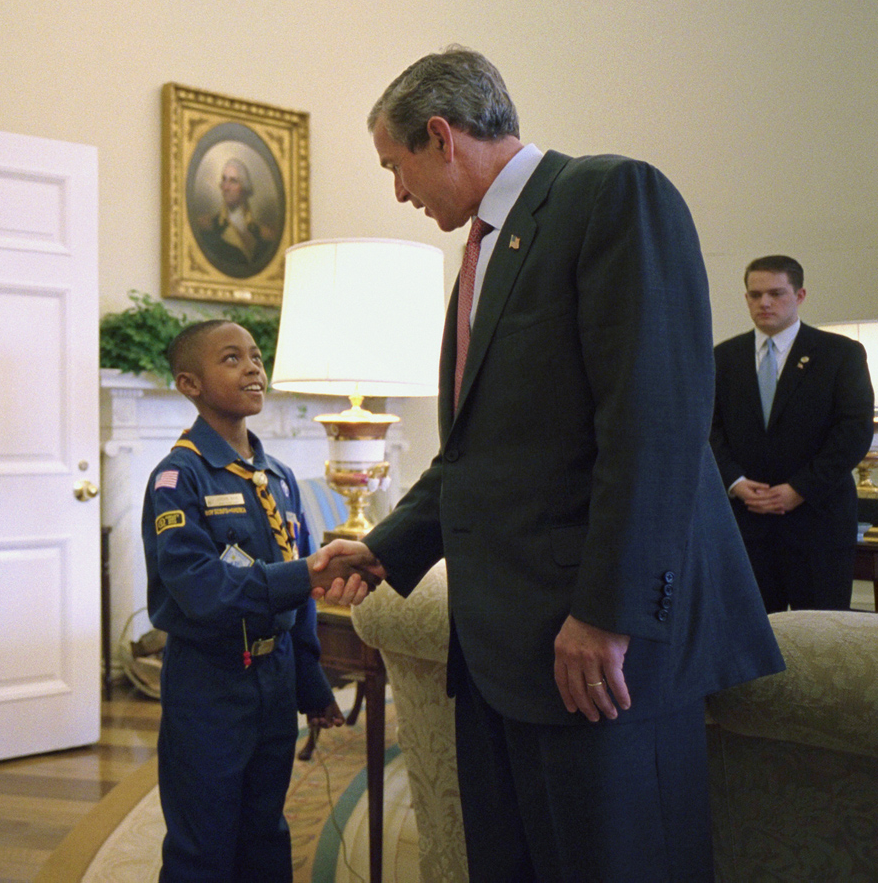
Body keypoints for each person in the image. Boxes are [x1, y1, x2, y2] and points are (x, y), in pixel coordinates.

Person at [315, 46, 783, 881]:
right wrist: (387, 545)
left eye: (395, 167)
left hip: (598, 652)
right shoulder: (481, 254)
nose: (398, 191)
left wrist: (608, 613)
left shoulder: (609, 196)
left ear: (441, 137)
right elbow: (481, 451)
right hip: (504, 652)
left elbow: (658, 424)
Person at [142, 318, 368, 883]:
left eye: (256, 356)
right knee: (203, 844)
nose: (253, 368)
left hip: (273, 678)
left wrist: (310, 678)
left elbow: (304, 594)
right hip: (210, 685)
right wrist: (305, 574)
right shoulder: (179, 479)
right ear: (190, 385)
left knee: (265, 830)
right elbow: (202, 590)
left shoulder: (279, 478)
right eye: (231, 358)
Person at [709, 255, 873, 612]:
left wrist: (800, 488)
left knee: (820, 639)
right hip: (746, 522)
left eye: (775, 293)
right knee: (751, 637)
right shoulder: (722, 358)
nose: (764, 303)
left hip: (818, 521)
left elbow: (855, 429)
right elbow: (709, 430)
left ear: (799, 296)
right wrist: (734, 481)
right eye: (754, 295)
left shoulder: (839, 354)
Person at [192, 157, 281, 279]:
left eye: (233, 181)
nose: (226, 187)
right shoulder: (208, 226)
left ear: (244, 188)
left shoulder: (262, 233)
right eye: (224, 180)